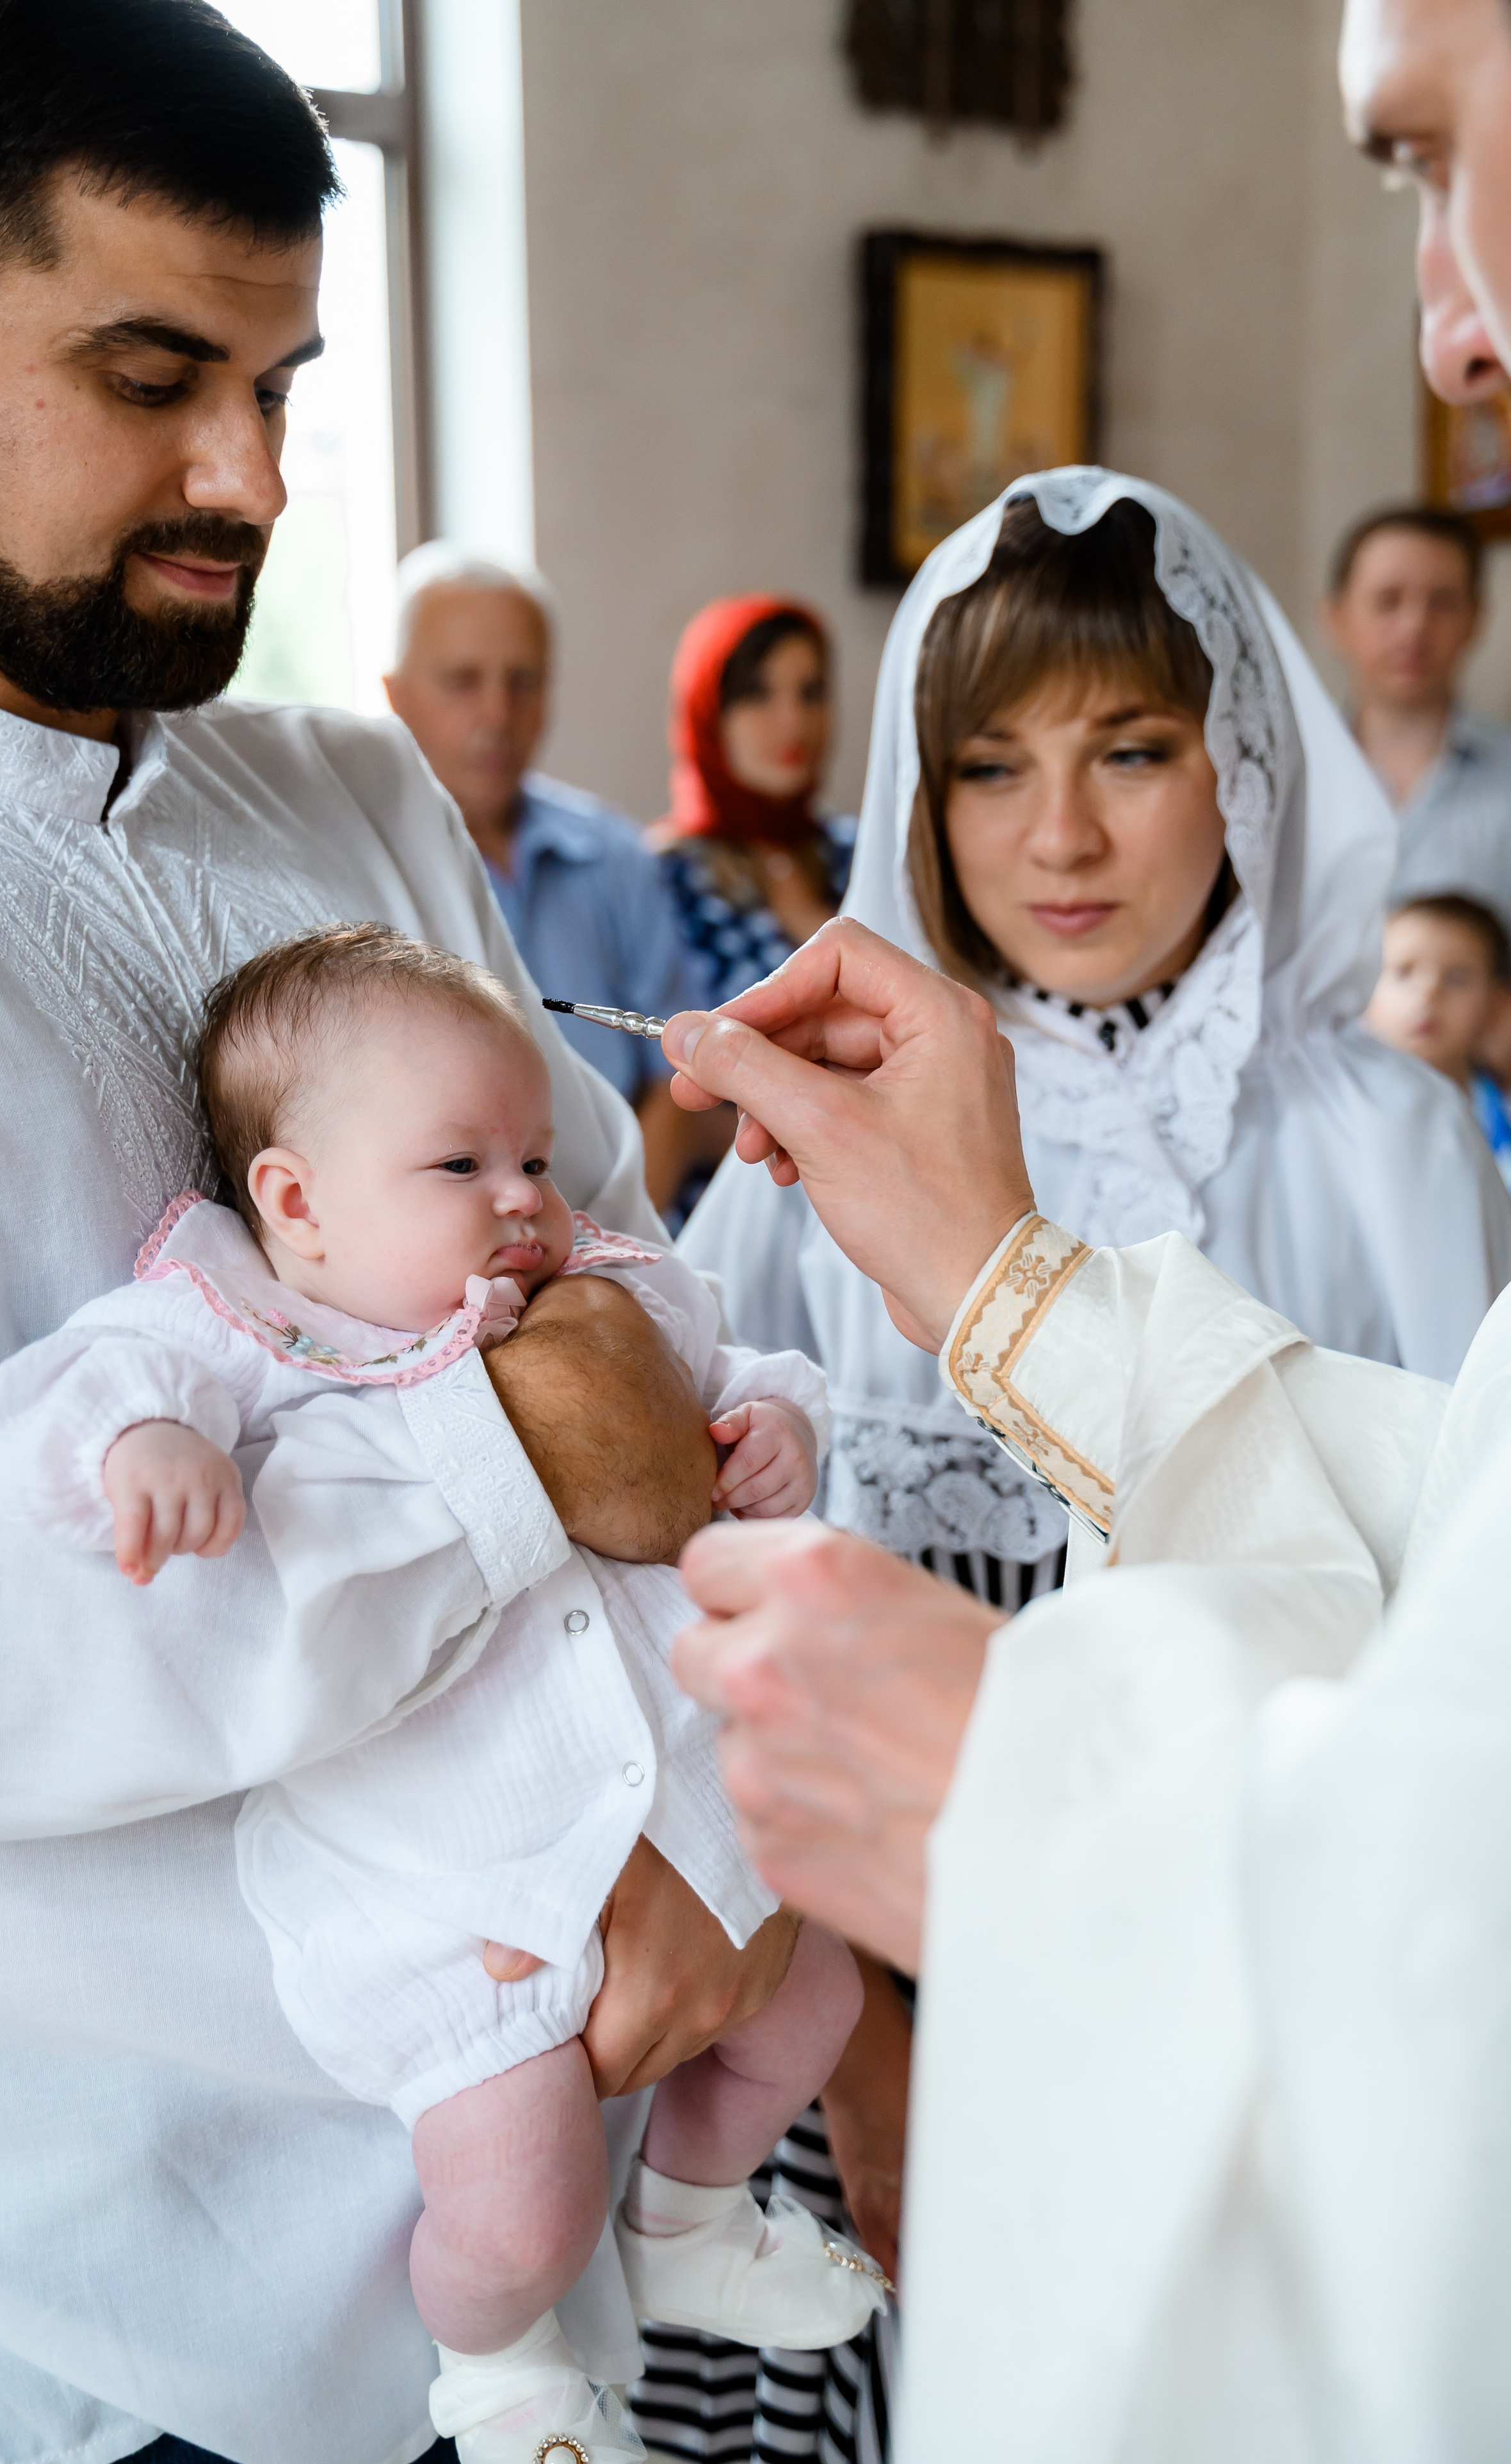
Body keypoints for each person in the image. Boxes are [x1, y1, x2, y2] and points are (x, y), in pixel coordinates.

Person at [0, 9, 795, 2462]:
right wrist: (505, 1453)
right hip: (145, 2307)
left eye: (283, 384)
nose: (249, 475)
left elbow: (640, 1344)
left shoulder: (358, 792)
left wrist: (672, 1830)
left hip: (583, 2185)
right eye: (156, 375)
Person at [633, 6, 1511, 2445]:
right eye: (993, 765)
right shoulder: (837, 1134)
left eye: (1132, 749)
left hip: (1264, 1946)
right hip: (872, 1962)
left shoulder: (1372, 1135)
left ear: (1240, 766)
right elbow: (752, 1563)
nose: (1064, 833)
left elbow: (1430, 1628)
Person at [0, 924, 885, 2464]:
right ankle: (496, 2358)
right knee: (517, 2201)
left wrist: (776, 1418)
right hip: (458, 1897)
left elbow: (736, 1360)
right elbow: (51, 1397)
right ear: (296, 1203)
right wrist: (144, 1445)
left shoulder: (597, 1284)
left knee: (816, 2008)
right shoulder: (253, 1325)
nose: (522, 1194)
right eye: (459, 1164)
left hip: (692, 1829)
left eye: (531, 1151)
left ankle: (696, 2217)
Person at [383, 542, 697, 1210]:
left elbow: (683, 1079)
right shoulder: (365, 863)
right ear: (395, 695)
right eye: (463, 680)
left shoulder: (613, 852)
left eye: (523, 681)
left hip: (626, 1230)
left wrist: (606, 1248)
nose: (498, 714)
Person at [645, 596, 855, 1220]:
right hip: (728, 1212)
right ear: (710, 711)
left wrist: (807, 910)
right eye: (758, 694)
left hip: (871, 1195)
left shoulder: (860, 854)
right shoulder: (665, 875)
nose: (792, 720)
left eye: (811, 692)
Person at [1321, 502, 1511, 924]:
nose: (1414, 628)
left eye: (1442, 602)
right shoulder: (1282, 779)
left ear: (1476, 619)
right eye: (1388, 601)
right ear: (1336, 618)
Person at [1364, 891, 1511, 1183]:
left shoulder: (1502, 1112)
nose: (1429, 993)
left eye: (1457, 978)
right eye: (1403, 972)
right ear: (1363, 990)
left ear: (1495, 1005)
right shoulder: (1347, 1113)